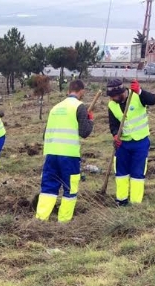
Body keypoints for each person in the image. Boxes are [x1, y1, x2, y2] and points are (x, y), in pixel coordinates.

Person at [36, 79, 94, 223]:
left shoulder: (55, 108)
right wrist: (90, 120)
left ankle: (41, 219)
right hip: (69, 156)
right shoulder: (79, 107)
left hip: (51, 154)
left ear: (68, 90)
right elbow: (84, 132)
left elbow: (45, 134)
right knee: (70, 188)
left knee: (48, 187)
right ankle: (64, 221)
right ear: (81, 91)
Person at [107, 78, 155, 206]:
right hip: (123, 145)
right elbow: (113, 125)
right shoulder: (111, 105)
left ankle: (135, 203)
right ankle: (121, 200)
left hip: (140, 142)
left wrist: (140, 91)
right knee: (121, 173)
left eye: (114, 96)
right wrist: (115, 136)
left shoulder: (136, 96)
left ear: (122, 92)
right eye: (111, 96)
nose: (113, 99)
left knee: (137, 173)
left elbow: (153, 100)